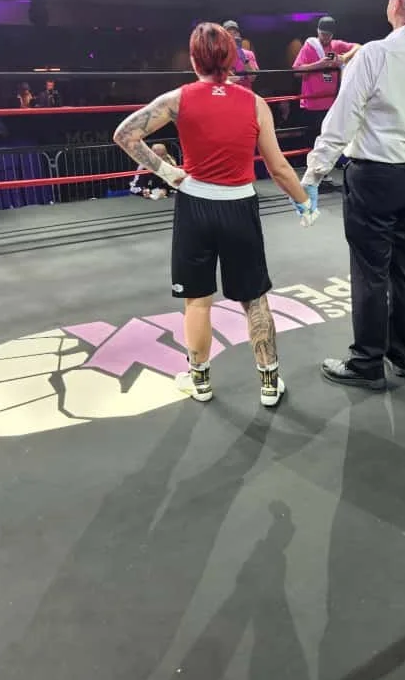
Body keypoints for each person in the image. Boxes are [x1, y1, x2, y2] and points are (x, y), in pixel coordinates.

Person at [114, 22, 318, 407]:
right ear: (232, 58)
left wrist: (166, 172)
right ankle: (270, 384)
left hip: (196, 206)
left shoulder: (178, 99)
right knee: (254, 298)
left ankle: (200, 381)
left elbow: (125, 134)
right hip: (240, 206)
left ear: (194, 58)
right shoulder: (254, 103)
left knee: (197, 298)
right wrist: (303, 201)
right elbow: (278, 167)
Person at [300, 0, 405, 389]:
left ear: (395, 4)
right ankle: (402, 355)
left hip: (376, 178)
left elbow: (340, 122)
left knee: (371, 271)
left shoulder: (375, 54)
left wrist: (313, 175)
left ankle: (367, 362)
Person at [292, 15, 360, 130]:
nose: (325, 37)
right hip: (313, 104)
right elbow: (296, 71)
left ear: (332, 34)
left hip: (332, 103)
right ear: (318, 31)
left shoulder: (336, 45)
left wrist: (344, 58)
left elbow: (358, 47)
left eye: (328, 35)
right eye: (323, 34)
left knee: (331, 137)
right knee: (313, 139)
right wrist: (319, 65)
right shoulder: (309, 47)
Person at [223, 21, 259, 88]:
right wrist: (228, 79)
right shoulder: (218, 54)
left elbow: (252, 78)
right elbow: (213, 79)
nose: (232, 36)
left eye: (235, 33)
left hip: (245, 93)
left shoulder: (249, 54)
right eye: (229, 33)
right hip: (226, 93)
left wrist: (244, 58)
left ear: (239, 35)